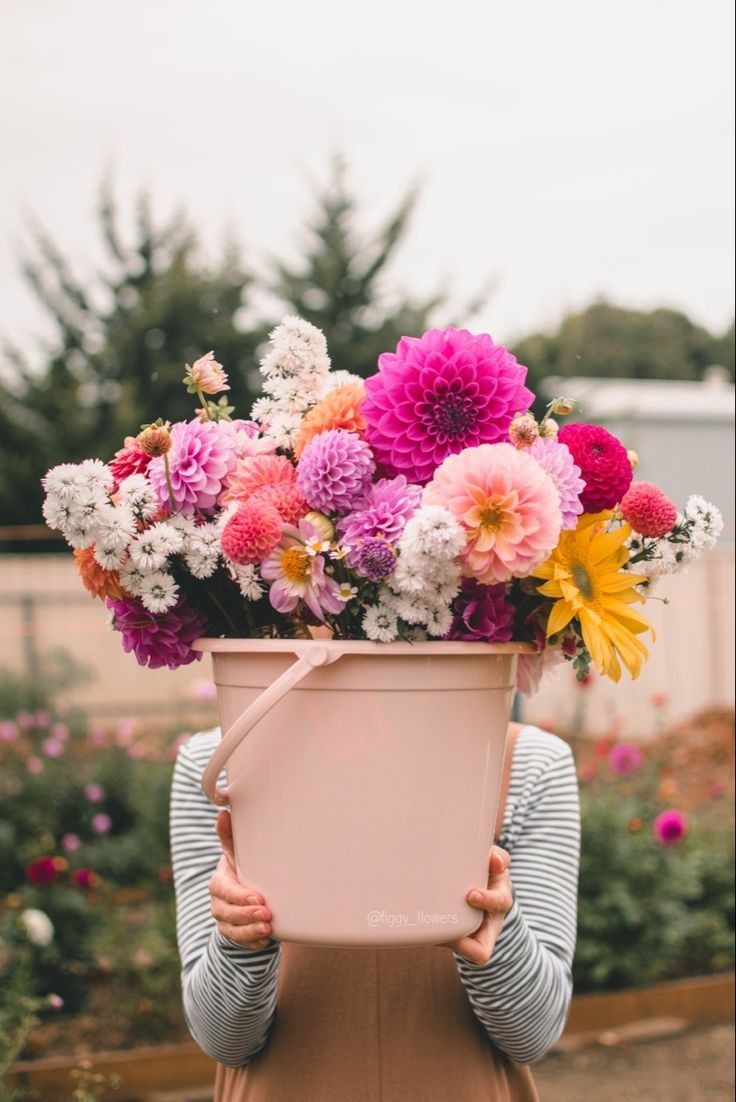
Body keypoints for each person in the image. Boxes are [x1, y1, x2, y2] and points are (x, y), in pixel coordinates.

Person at [171, 720, 581, 1101]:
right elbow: (223, 1040)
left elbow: (532, 1034)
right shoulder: (218, 765)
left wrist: (494, 923)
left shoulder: (527, 764)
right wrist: (241, 938)